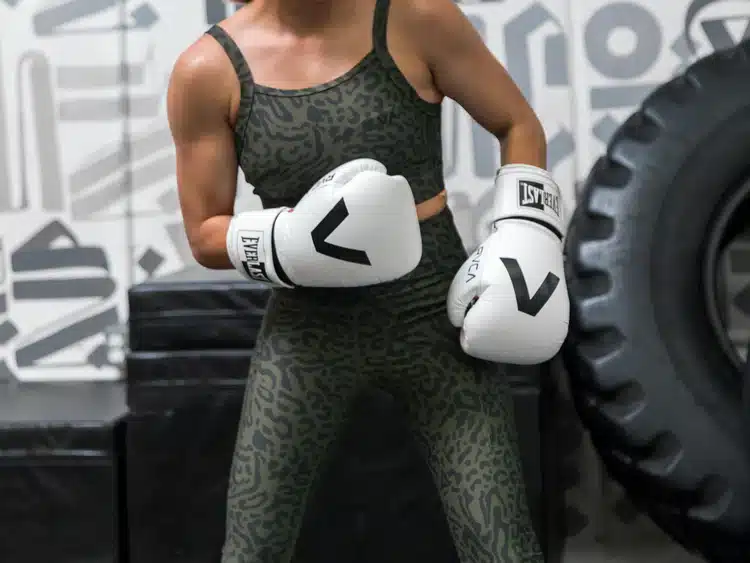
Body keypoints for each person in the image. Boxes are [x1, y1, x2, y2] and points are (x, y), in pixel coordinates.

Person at [166, 0, 569, 561]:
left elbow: (517, 122)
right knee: (252, 549)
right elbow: (205, 233)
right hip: (309, 333)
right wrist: (292, 239)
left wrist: (527, 233)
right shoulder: (206, 71)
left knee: (502, 545)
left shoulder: (418, 17)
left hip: (436, 318)